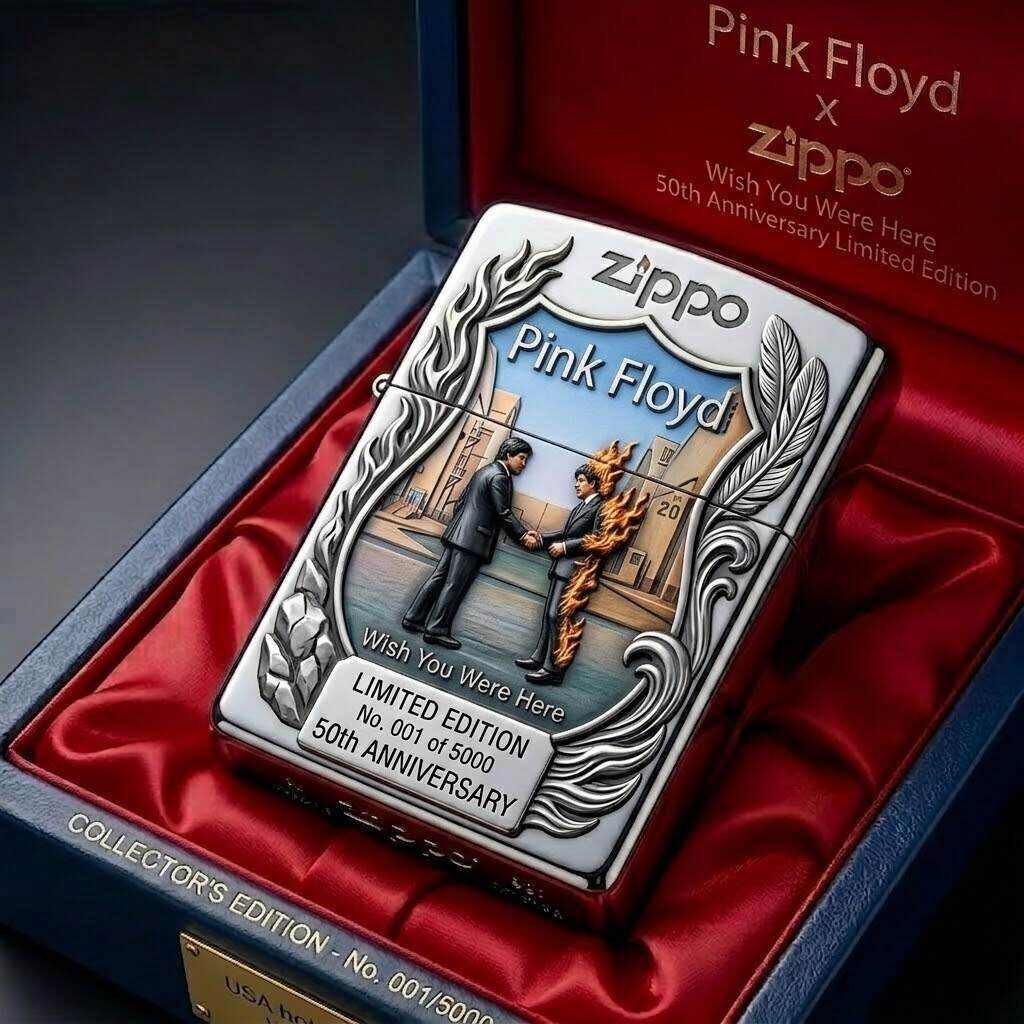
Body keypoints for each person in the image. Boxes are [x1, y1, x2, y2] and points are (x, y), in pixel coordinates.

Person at [402, 437, 540, 649]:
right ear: (508, 455)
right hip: (473, 540)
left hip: (459, 534)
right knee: (455, 585)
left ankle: (413, 619)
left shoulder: (484, 471)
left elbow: (460, 502)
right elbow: (502, 512)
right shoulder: (500, 477)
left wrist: (462, 526)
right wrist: (522, 535)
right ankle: (436, 630)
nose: (524, 463)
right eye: (521, 458)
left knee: (439, 578)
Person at [516, 465, 604, 684]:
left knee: (557, 617)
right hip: (562, 568)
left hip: (575, 570)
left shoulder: (600, 507)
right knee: (549, 614)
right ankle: (539, 658)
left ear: (593, 483)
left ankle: (553, 669)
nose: (576, 485)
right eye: (577, 480)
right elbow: (565, 533)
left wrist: (565, 547)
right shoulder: (580, 507)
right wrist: (542, 538)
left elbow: (597, 538)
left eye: (581, 480)